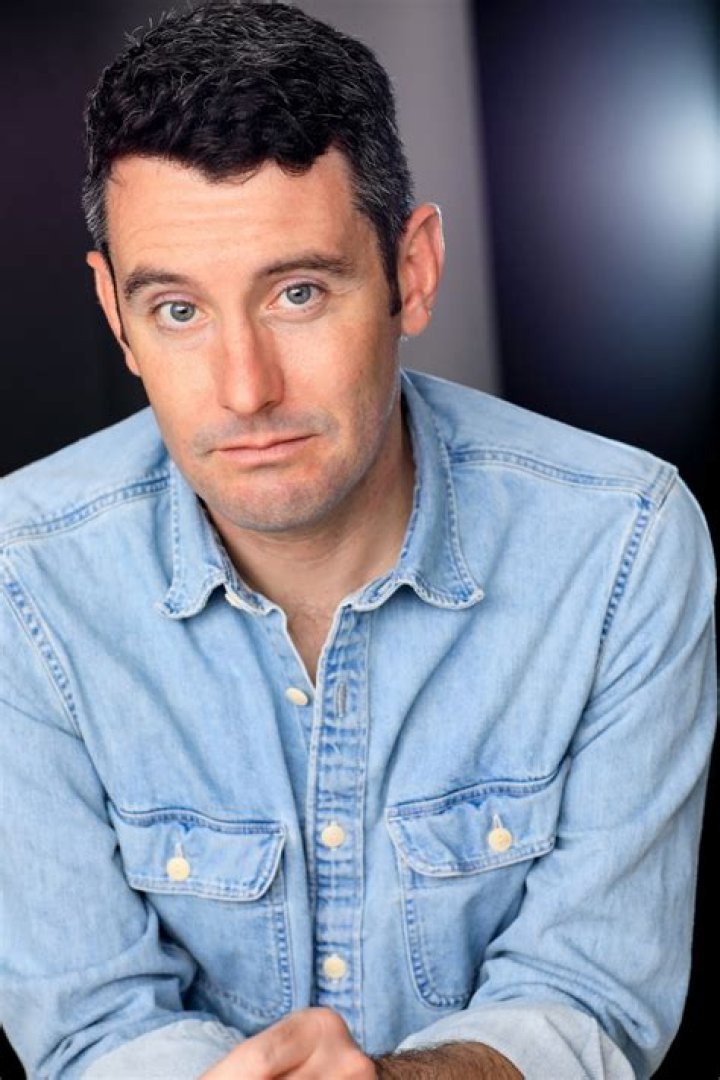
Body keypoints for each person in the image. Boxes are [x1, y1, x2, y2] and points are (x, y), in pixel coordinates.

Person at [0, 1, 715, 1077]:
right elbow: (91, 1026)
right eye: (179, 310)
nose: (245, 390)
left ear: (410, 272)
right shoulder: (20, 582)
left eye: (297, 292)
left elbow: (592, 999)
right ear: (115, 312)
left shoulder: (623, 546)